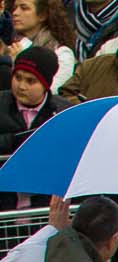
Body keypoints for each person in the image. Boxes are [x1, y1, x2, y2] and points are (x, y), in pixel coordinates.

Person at [0, 46, 73, 181]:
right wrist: (14, 140)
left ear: (45, 84)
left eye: (30, 81)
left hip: (44, 189)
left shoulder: (64, 112)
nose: (21, 86)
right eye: (17, 77)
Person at [8, 0, 77, 92]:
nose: (15, 13)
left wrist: (20, 63)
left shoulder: (62, 53)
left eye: (24, 8)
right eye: (14, 8)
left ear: (42, 15)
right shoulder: (10, 44)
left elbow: (53, 92)